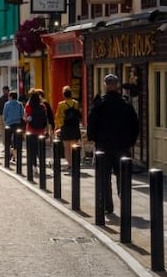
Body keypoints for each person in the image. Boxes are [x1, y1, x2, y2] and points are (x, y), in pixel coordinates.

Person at [87, 74, 140, 215]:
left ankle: (107, 206)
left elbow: (91, 123)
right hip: (122, 146)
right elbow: (135, 125)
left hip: (104, 146)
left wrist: (93, 138)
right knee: (122, 176)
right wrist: (130, 142)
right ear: (117, 85)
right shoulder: (125, 105)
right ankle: (124, 203)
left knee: (104, 177)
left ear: (105, 85)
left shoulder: (100, 104)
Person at [55, 86, 81, 173]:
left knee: (66, 147)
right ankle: (75, 163)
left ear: (64, 95)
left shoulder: (61, 104)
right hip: (74, 127)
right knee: (74, 146)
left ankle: (69, 164)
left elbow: (58, 116)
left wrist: (58, 126)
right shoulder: (76, 103)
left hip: (65, 127)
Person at [24, 89, 49, 168]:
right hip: (41, 130)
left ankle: (34, 166)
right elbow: (45, 118)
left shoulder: (28, 106)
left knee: (32, 149)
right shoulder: (43, 106)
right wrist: (47, 130)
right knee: (40, 148)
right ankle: (42, 164)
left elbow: (26, 118)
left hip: (31, 130)